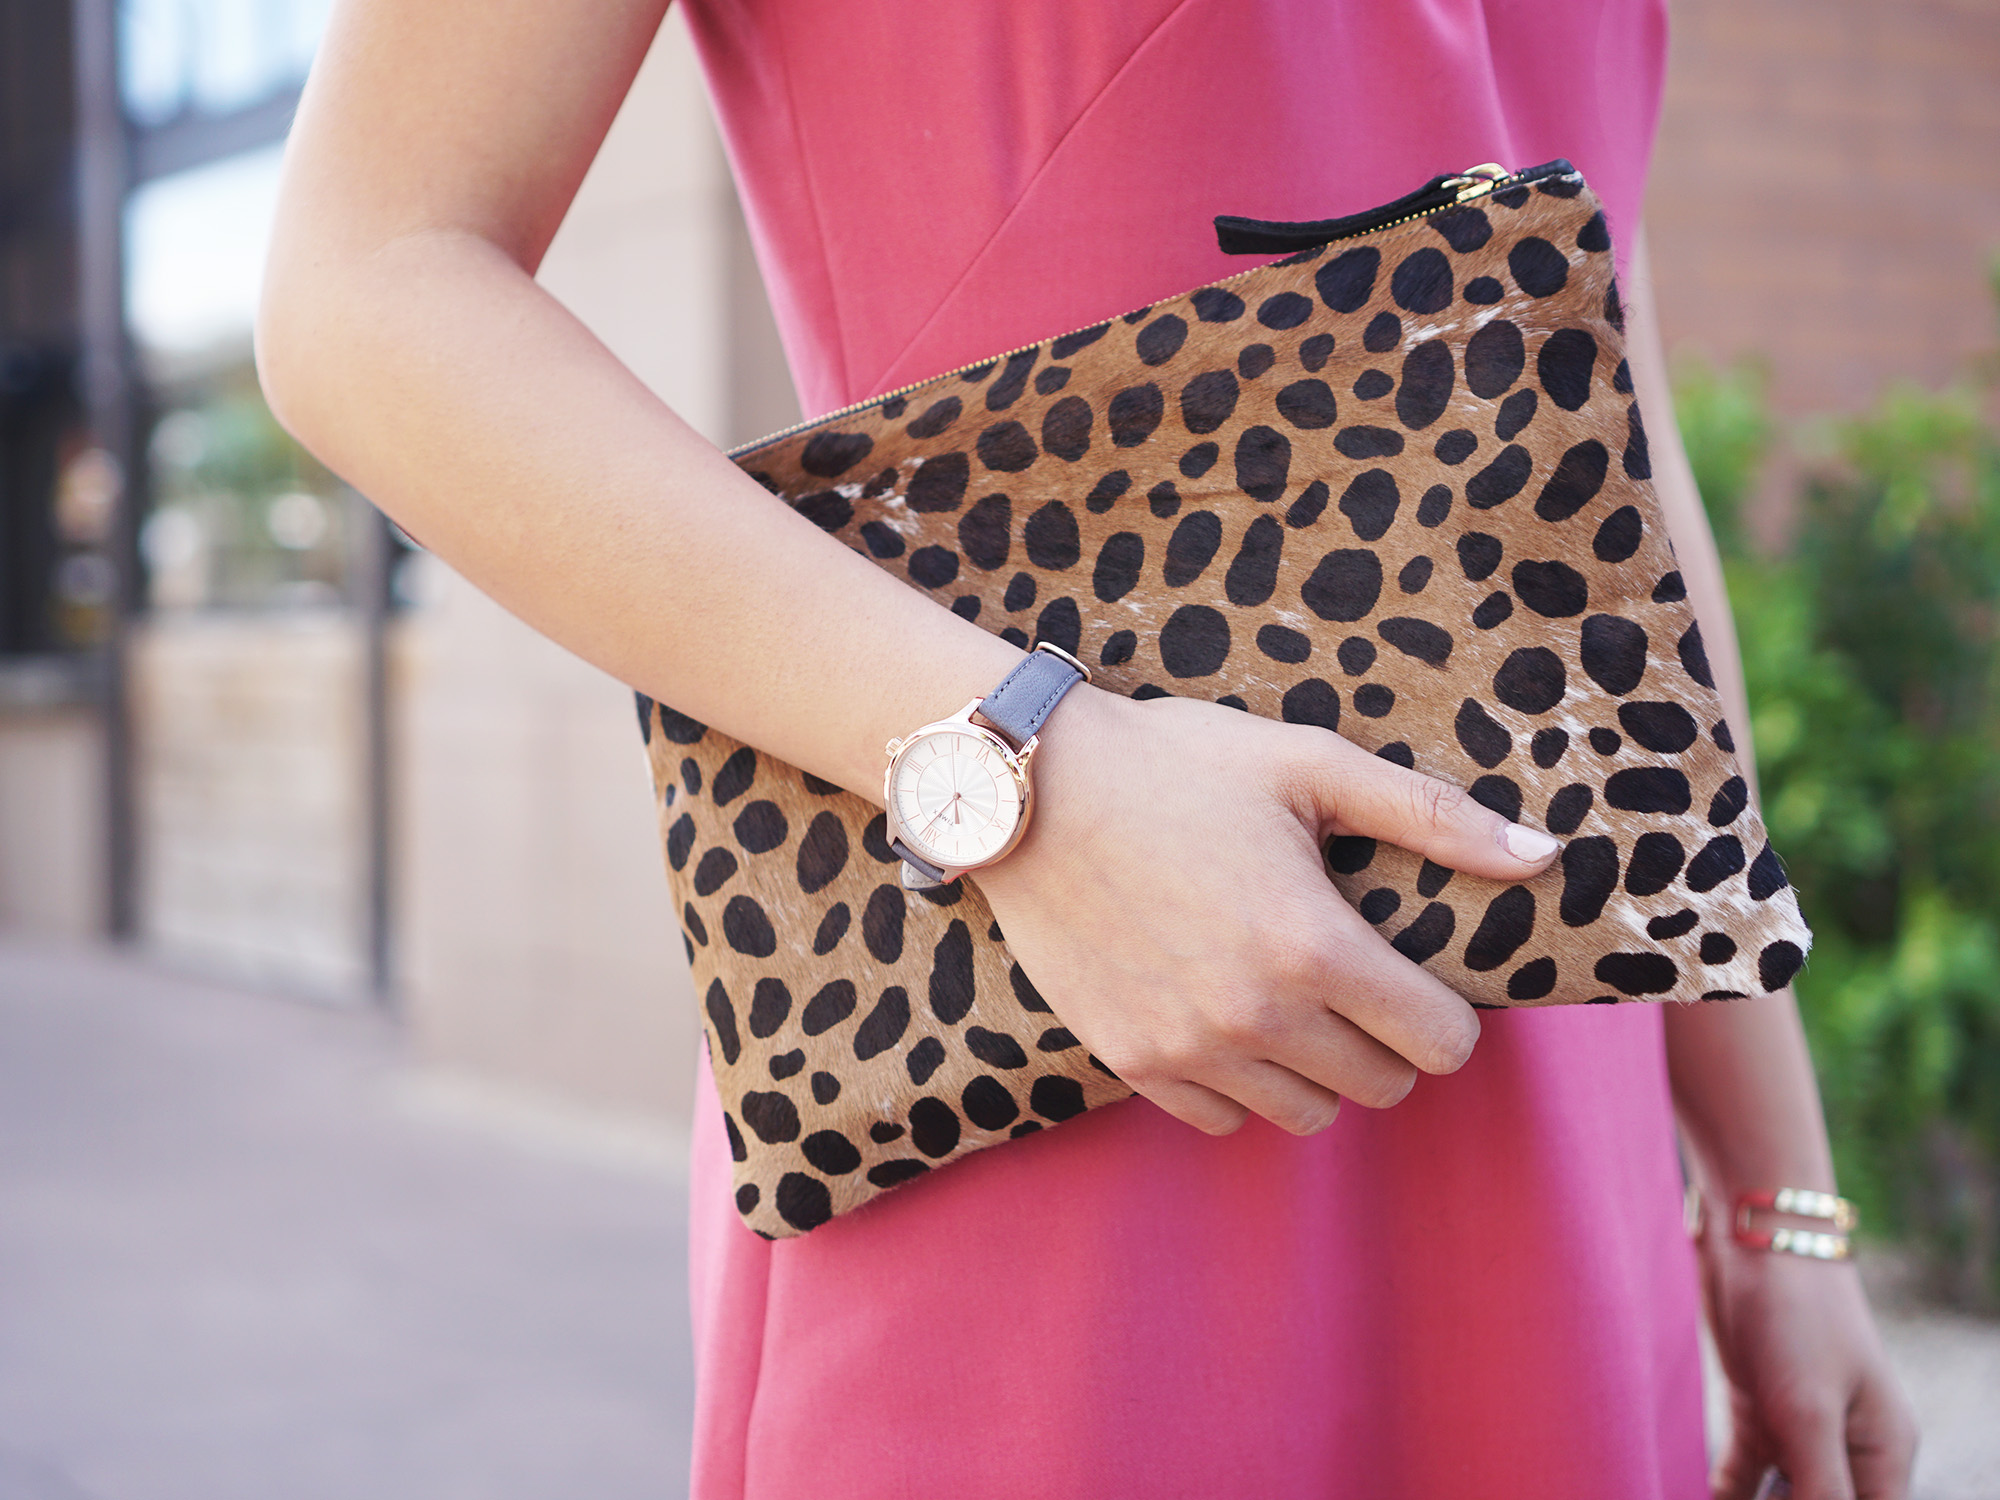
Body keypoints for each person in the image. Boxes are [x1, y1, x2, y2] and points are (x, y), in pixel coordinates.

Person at [257, 2, 1919, 1496]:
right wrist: (1026, 772)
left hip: (1552, 1092)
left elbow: (1610, 441)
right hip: (1048, 1059)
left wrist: (1780, 1199)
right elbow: (369, 277)